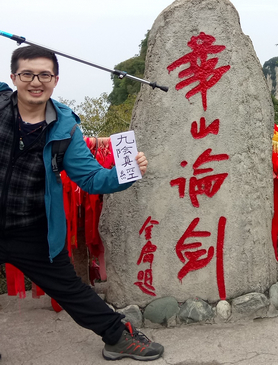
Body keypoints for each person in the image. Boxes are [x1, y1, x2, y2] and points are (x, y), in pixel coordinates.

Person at [0, 45, 164, 361]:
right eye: (27, 74)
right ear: (14, 77)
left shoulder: (65, 129)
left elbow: (91, 179)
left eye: (44, 74)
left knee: (71, 291)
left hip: (32, 230)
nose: (36, 81)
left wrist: (126, 173)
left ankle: (118, 337)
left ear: (55, 79)